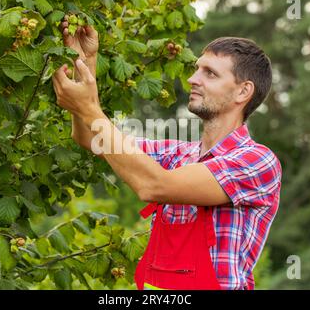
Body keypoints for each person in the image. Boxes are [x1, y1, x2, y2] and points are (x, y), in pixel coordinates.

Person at [52, 20, 282, 290]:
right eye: (197, 69)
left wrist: (90, 109)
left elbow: (154, 185)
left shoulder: (257, 162)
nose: (193, 79)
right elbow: (92, 139)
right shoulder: (177, 155)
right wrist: (85, 64)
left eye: (210, 73)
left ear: (243, 91)